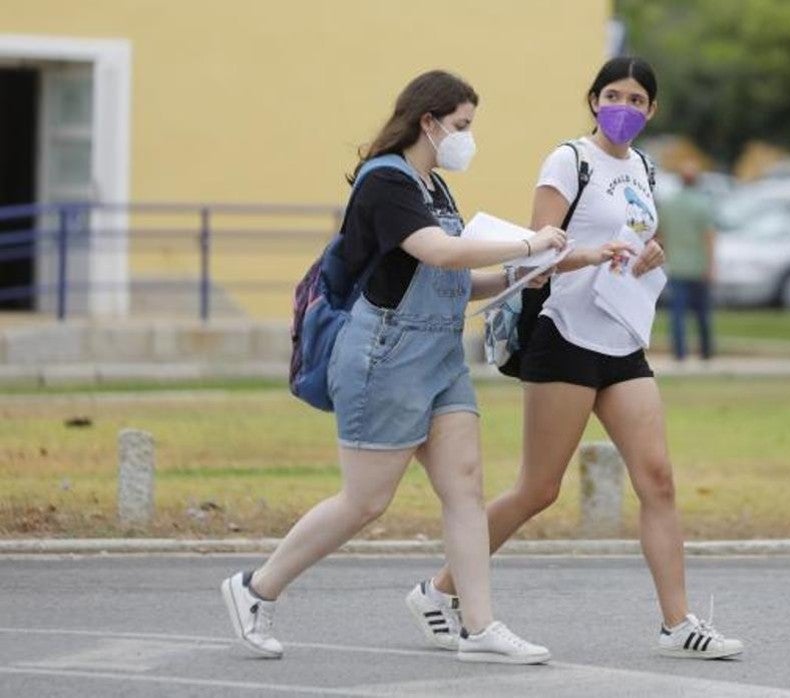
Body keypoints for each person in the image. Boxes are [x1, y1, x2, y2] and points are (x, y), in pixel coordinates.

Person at [220, 70, 564, 665]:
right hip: (385, 353)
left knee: (464, 486)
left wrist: (548, 264)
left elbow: (457, 280)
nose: (467, 138)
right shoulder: (386, 182)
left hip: (439, 355)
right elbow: (439, 251)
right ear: (428, 122)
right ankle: (255, 589)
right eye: (461, 126)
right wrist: (531, 244)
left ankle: (479, 626)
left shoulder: (435, 188)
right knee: (364, 500)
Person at [414, 57, 744, 660]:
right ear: (593, 101)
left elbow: (643, 240)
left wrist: (652, 255)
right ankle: (438, 590)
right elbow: (531, 252)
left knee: (659, 481)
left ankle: (679, 624)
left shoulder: (644, 167)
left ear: (653, 110)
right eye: (613, 95)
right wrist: (592, 254)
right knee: (539, 489)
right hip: (564, 334)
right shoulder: (569, 160)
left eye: (637, 99)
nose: (624, 107)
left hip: (623, 339)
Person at [658, 159, 717, 363]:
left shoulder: (670, 204)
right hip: (698, 266)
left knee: (678, 314)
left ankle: (680, 353)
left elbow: (661, 235)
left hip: (676, 266)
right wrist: (711, 266)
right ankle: (706, 352)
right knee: (702, 314)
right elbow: (709, 237)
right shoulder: (703, 204)